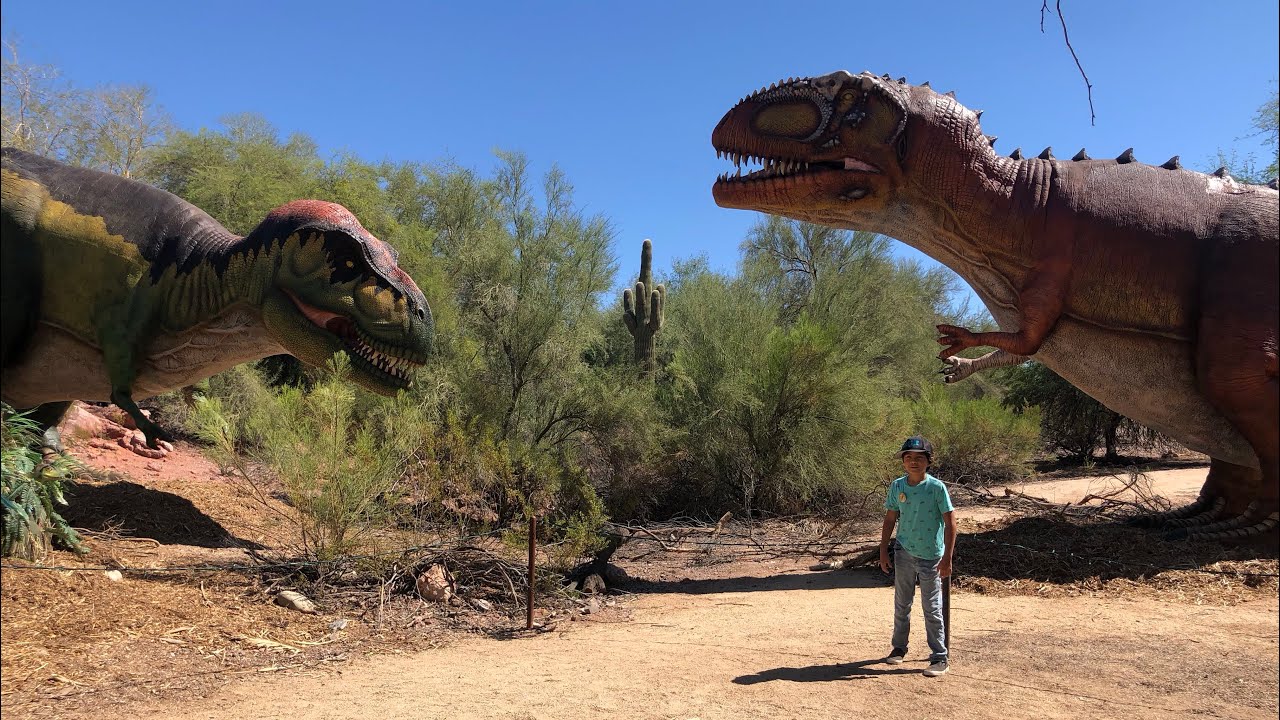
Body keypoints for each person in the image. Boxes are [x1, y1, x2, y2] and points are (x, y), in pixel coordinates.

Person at [878, 435, 956, 677]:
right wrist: (883, 550)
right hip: (904, 552)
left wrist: (947, 558)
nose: (914, 462)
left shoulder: (936, 488)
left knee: (932, 607)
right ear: (903, 461)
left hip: (931, 556)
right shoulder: (897, 487)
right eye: (909, 457)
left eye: (919, 458)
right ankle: (899, 648)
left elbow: (951, 523)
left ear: (928, 461)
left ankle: (939, 657)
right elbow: (890, 518)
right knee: (902, 603)